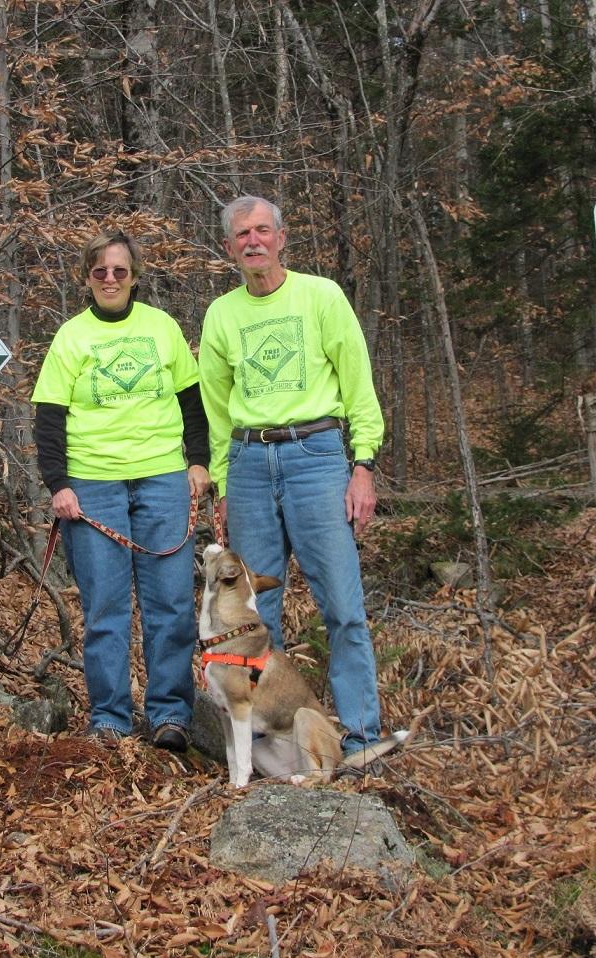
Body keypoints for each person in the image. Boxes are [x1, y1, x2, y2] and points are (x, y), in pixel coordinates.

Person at [197, 195, 386, 770]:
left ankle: (358, 737)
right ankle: (263, 747)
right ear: (230, 248)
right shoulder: (221, 314)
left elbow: (358, 382)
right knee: (256, 619)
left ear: (281, 238)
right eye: (241, 235)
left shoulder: (321, 296)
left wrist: (363, 464)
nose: (253, 241)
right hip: (250, 462)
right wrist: (223, 487)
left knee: (343, 606)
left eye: (262, 231)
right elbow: (217, 407)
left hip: (318, 455)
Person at [32, 231, 210, 751]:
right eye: (99, 271)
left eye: (120, 271)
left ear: (135, 277)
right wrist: (58, 484)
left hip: (162, 479)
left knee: (171, 605)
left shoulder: (162, 327)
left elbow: (191, 401)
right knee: (106, 608)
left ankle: (170, 716)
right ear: (87, 278)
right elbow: (49, 417)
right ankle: (109, 717)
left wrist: (197, 463)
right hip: (93, 486)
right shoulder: (71, 336)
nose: (110, 279)